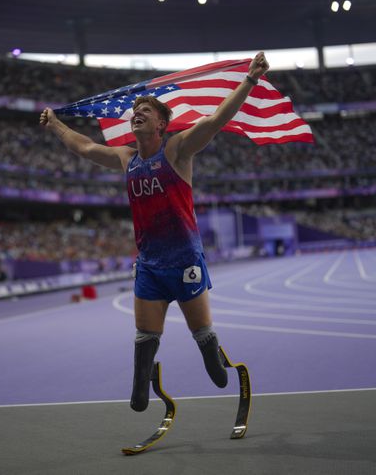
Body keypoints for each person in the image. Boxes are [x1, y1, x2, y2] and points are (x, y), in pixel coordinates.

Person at [40, 52, 270, 411]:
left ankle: (212, 353)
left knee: (203, 337)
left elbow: (215, 120)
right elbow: (84, 147)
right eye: (135, 110)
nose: (137, 113)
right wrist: (55, 125)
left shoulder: (177, 151)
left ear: (162, 124)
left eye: (145, 110)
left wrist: (249, 81)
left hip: (185, 262)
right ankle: (139, 388)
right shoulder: (126, 158)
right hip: (149, 265)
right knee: (145, 337)